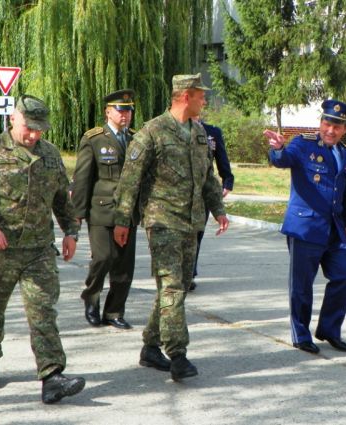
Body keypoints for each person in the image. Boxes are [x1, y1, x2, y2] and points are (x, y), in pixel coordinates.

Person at [0, 95, 85, 403]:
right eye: (29, 127)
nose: (34, 135)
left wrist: (71, 232)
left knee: (43, 313)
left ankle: (52, 376)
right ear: (13, 118)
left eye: (39, 129)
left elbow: (61, 198)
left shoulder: (50, 154)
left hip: (39, 250)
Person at [113, 73, 229, 381]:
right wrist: (122, 220)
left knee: (175, 288)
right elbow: (130, 180)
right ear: (186, 96)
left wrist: (218, 210)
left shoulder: (199, 132)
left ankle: (150, 347)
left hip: (191, 221)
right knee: (173, 286)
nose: (205, 100)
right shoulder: (152, 132)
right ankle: (177, 354)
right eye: (201, 95)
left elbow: (207, 177)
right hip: (162, 221)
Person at [263, 99, 346, 354]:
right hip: (305, 227)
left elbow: (342, 190)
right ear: (320, 123)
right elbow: (283, 159)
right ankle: (301, 334)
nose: (331, 130)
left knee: (344, 276)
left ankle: (329, 329)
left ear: (344, 129)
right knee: (302, 285)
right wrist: (278, 149)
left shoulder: (344, 153)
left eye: (337, 127)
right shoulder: (303, 144)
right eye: (327, 124)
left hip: (334, 228)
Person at [71, 89, 139, 329]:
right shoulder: (94, 139)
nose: (125, 115)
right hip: (101, 210)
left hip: (128, 212)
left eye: (129, 110)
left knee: (124, 266)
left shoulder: (135, 139)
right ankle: (91, 298)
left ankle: (114, 312)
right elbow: (82, 178)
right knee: (103, 258)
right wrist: (77, 215)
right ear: (108, 112)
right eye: (120, 110)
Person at [190, 117, 234, 291]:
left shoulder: (212, 132)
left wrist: (227, 181)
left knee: (196, 233)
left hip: (203, 193)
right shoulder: (175, 127)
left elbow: (221, 158)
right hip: (179, 193)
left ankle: (189, 273)